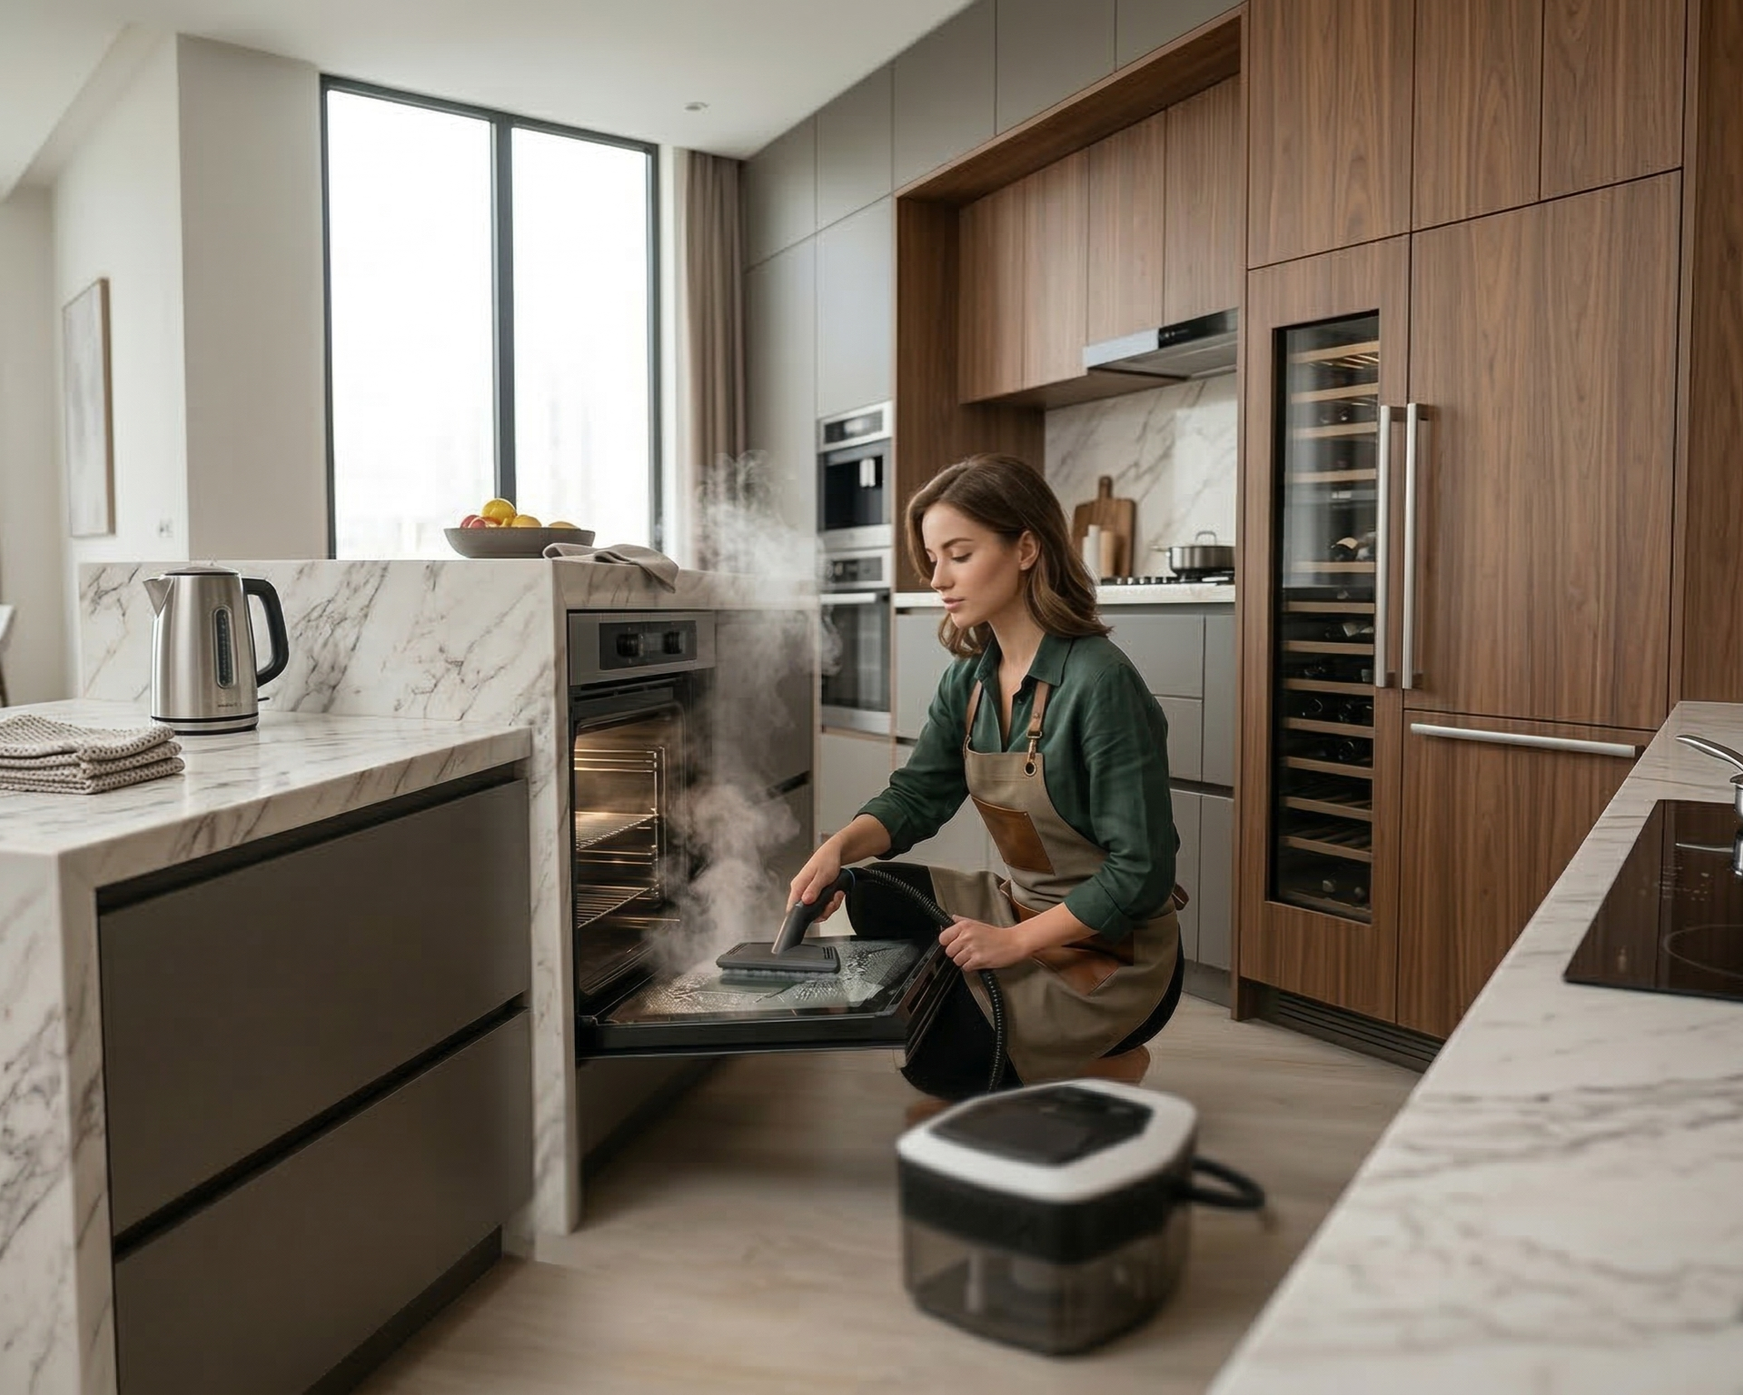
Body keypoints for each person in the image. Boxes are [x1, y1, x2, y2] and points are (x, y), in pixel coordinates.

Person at [789, 454, 1185, 1101]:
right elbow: (917, 793)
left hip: (1116, 952)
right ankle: (997, 1002)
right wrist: (834, 848)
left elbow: (1141, 874)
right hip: (1019, 908)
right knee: (867, 887)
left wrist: (1013, 942)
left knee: (935, 1062)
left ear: (1025, 546)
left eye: (959, 553)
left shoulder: (1099, 681)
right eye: (932, 557)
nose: (938, 576)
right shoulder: (970, 679)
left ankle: (1113, 1058)